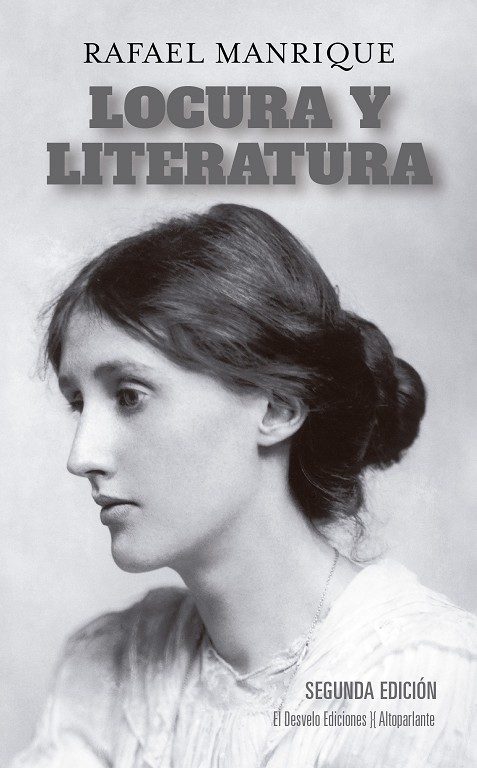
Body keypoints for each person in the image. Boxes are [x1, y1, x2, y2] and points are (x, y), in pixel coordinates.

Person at [11, 204, 477, 767]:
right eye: (78, 403)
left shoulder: (424, 679)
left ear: (277, 408)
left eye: (130, 396)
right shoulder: (111, 666)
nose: (81, 456)